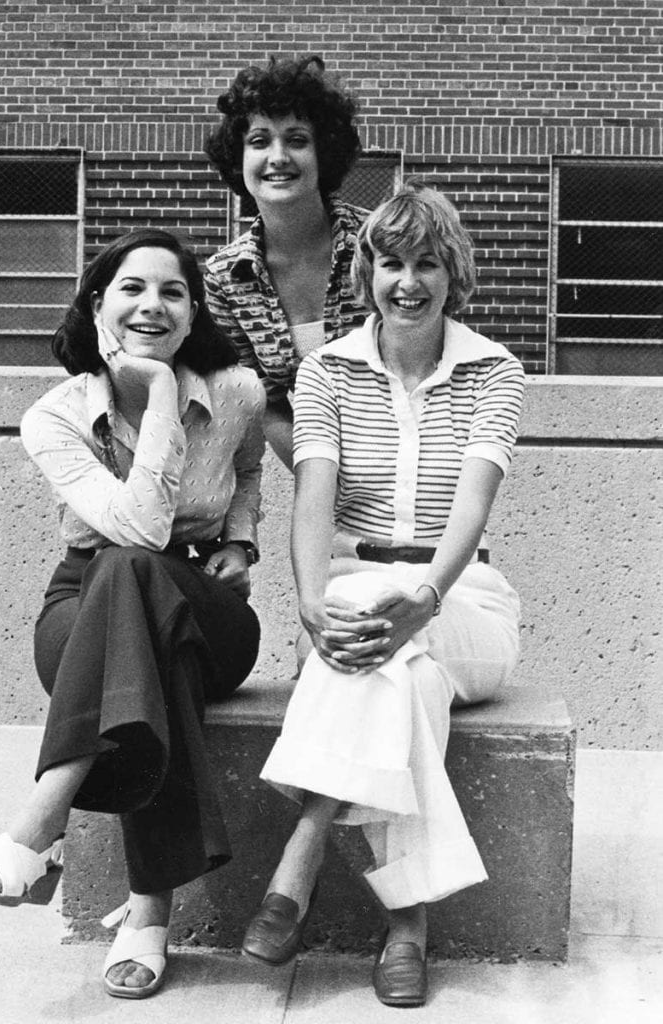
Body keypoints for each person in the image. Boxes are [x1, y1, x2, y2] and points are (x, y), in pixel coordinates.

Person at [0, 228, 266, 1001]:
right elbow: (135, 530)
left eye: (172, 291)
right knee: (144, 618)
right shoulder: (52, 417)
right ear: (97, 305)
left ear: (194, 315)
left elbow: (248, 469)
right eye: (131, 288)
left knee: (149, 589)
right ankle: (149, 914)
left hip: (203, 601)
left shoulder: (236, 392)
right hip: (83, 603)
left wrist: (242, 541)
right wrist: (159, 397)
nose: (152, 305)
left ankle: (39, 824)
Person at [240, 185, 525, 1007]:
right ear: (366, 273)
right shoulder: (328, 370)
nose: (407, 281)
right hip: (354, 589)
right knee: (405, 679)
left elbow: (470, 506)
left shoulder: (492, 371)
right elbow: (312, 496)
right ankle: (408, 927)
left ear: (453, 273)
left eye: (426, 263)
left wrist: (426, 595)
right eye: (390, 262)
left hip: (464, 599)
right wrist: (306, 603)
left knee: (400, 636)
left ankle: (304, 838)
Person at [204, 54, 367, 469]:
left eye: (296, 140)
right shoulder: (225, 278)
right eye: (259, 141)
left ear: (323, 152)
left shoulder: (378, 245)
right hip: (320, 473)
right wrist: (323, 478)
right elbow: (266, 402)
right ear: (238, 157)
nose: (277, 157)